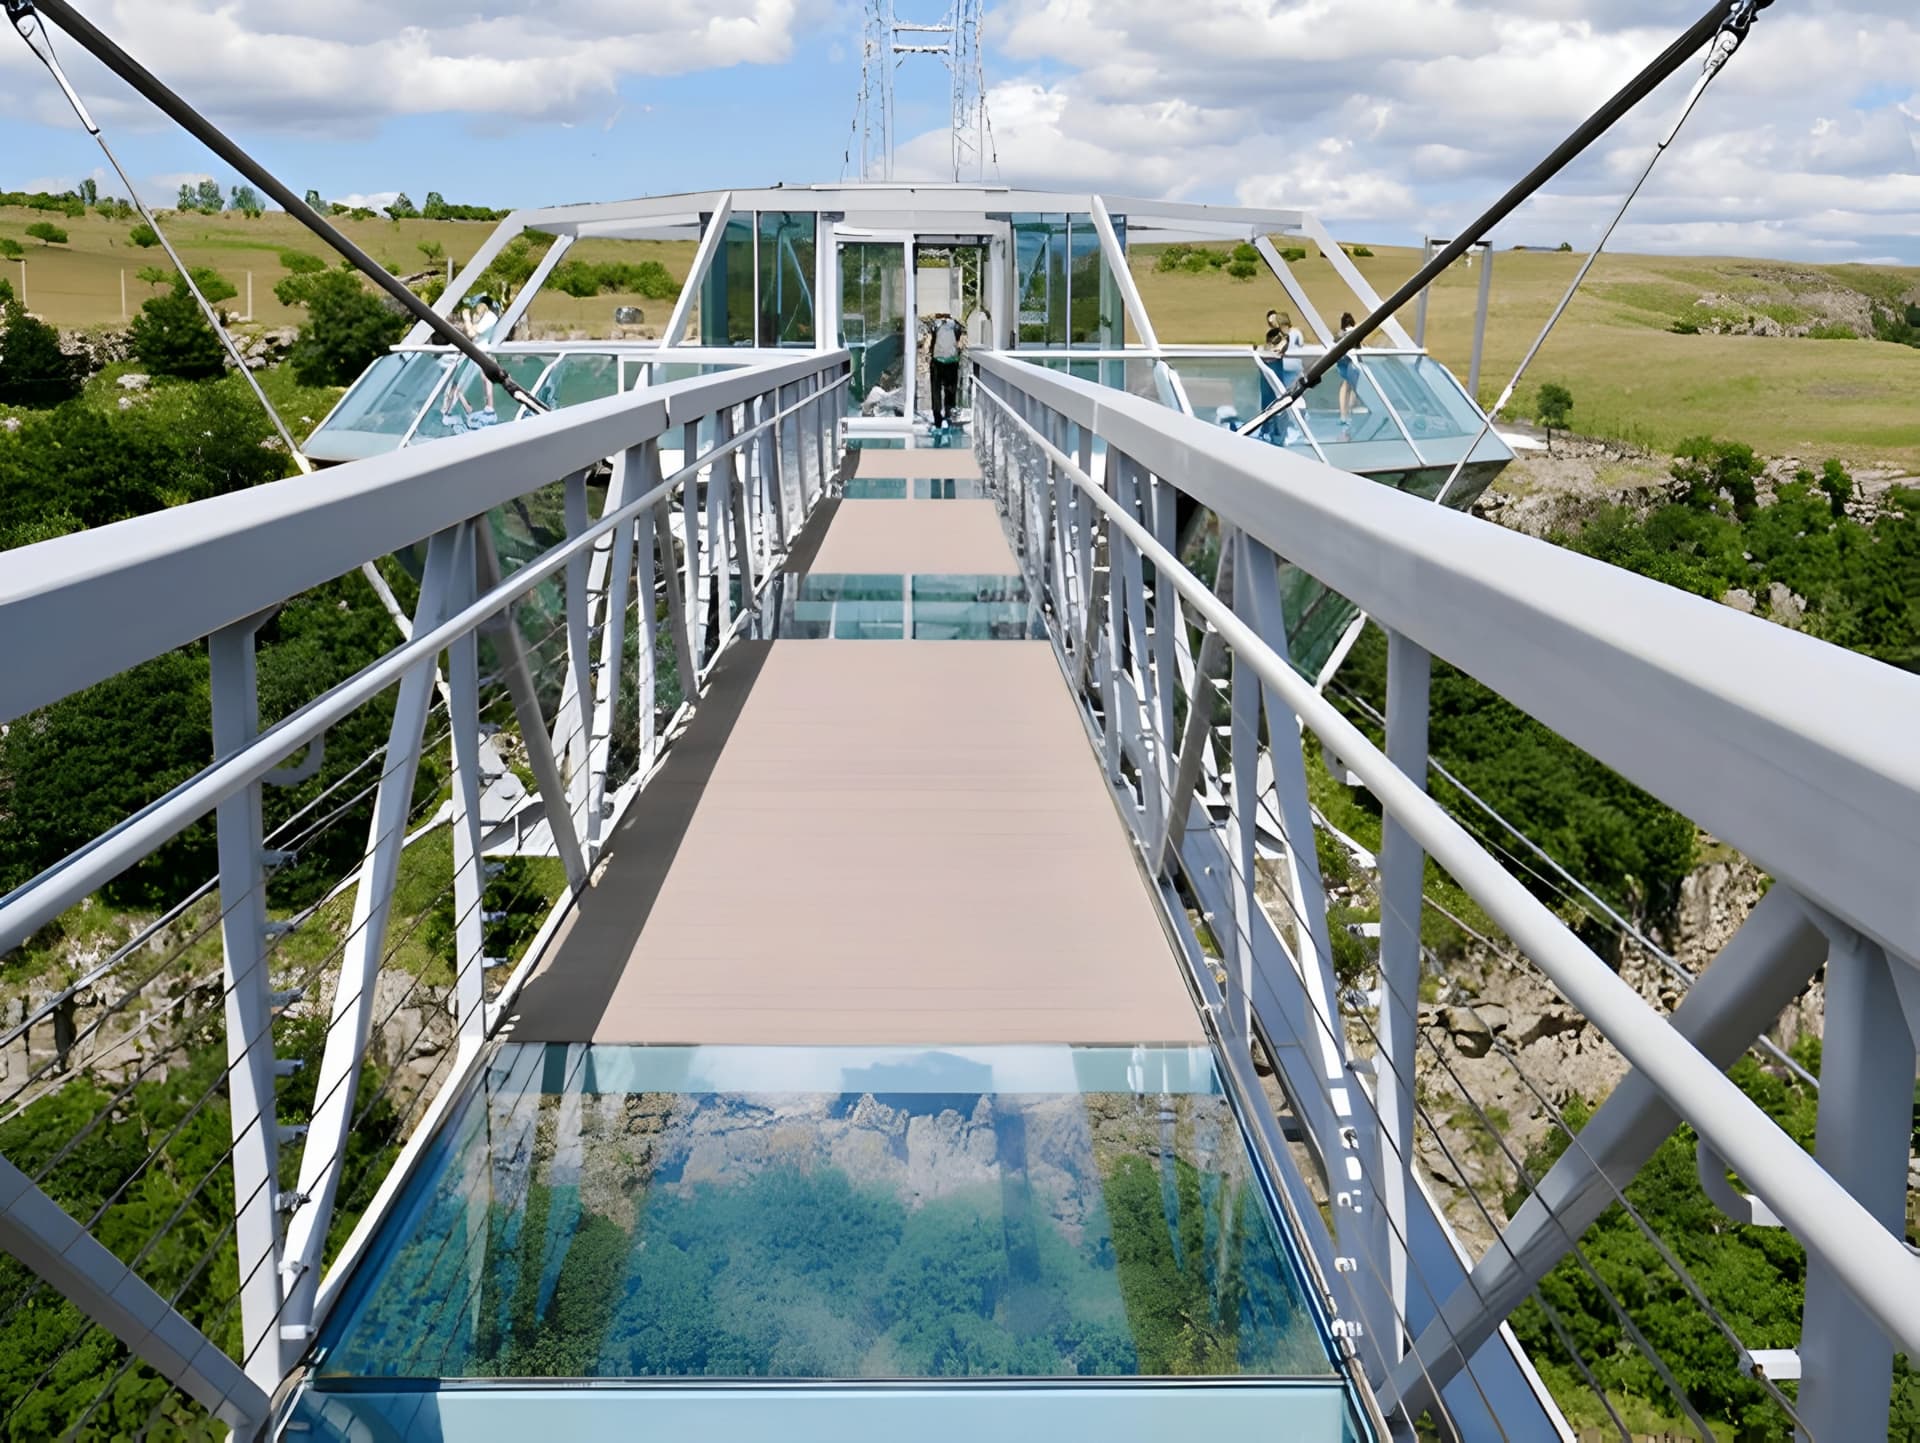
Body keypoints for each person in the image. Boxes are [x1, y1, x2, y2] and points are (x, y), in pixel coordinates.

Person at [927, 310, 964, 429]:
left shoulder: (935, 325)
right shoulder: (956, 325)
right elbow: (958, 340)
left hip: (937, 362)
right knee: (951, 391)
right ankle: (949, 416)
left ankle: (937, 418)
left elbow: (932, 340)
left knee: (936, 391)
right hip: (952, 362)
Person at [1335, 310, 1361, 438]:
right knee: (1350, 387)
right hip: (1350, 362)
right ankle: (1347, 413)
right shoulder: (1354, 331)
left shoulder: (1341, 333)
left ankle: (1344, 414)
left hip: (1343, 361)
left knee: (1346, 386)